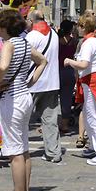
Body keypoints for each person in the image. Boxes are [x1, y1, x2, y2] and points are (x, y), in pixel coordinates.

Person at [0, 9, 47, 191]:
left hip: (12, 99)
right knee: (24, 148)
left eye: (0, 25)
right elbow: (43, 61)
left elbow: (3, 67)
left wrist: (1, 81)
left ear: (6, 27)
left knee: (15, 151)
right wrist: (30, 82)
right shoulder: (25, 43)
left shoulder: (9, 44)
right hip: (24, 96)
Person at [63, 13, 96, 165]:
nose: (77, 28)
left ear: (84, 27)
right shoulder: (95, 41)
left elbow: (83, 64)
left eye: (79, 25)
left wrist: (69, 61)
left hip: (94, 81)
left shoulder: (89, 43)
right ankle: (94, 147)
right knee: (90, 115)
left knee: (93, 118)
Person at [26, 10, 62, 163]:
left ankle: (18, 152)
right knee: (50, 120)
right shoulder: (53, 34)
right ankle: (53, 153)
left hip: (33, 83)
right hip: (52, 82)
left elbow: (25, 60)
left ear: (31, 20)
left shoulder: (31, 36)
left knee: (21, 120)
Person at [57, 19, 78, 135]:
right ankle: (65, 125)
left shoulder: (56, 41)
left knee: (52, 99)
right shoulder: (74, 41)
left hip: (56, 71)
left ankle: (51, 123)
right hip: (69, 71)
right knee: (67, 99)